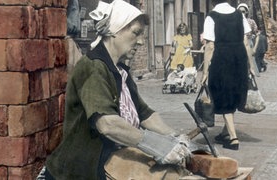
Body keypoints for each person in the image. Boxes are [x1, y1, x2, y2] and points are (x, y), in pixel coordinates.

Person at [38, 0, 191, 179]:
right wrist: (156, 145)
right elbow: (107, 124)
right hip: (82, 168)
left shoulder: (120, 70)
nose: (141, 42)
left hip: (112, 159)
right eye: (136, 33)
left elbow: (145, 114)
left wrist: (175, 136)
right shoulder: (94, 67)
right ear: (114, 31)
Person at [201, 0, 253, 150]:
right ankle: (225, 132)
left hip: (222, 59)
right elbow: (246, 42)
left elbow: (210, 45)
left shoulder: (212, 17)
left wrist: (205, 72)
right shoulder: (239, 15)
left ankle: (233, 138)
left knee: (223, 95)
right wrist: (250, 65)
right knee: (234, 94)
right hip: (240, 59)